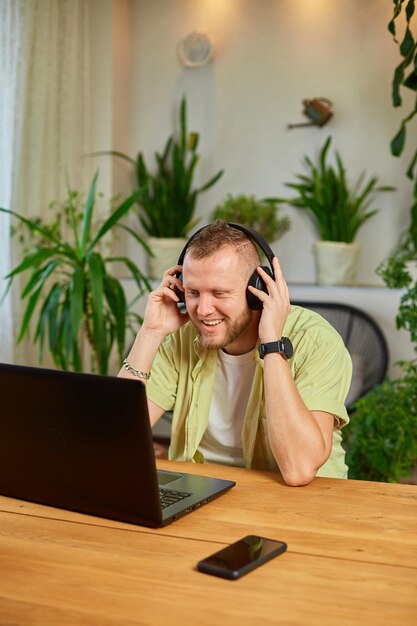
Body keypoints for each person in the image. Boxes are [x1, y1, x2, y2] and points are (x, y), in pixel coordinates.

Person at [119, 221, 352, 486]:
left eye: (219, 293)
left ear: (258, 289)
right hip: (201, 493)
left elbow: (298, 470)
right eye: (193, 292)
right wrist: (151, 332)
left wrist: (272, 343)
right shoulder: (181, 337)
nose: (203, 309)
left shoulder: (316, 340)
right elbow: (113, 436)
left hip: (298, 502)